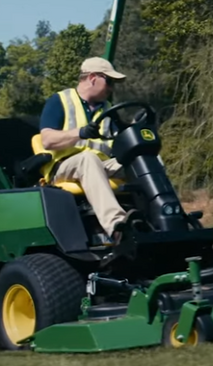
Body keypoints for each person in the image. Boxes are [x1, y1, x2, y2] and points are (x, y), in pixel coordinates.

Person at [38, 56, 138, 246]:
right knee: (87, 159)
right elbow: (47, 140)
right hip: (63, 168)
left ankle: (166, 216)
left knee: (142, 160)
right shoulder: (59, 101)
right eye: (109, 82)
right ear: (93, 78)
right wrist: (80, 133)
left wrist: (136, 127)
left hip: (100, 165)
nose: (112, 88)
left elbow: (120, 141)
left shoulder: (108, 110)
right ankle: (117, 226)